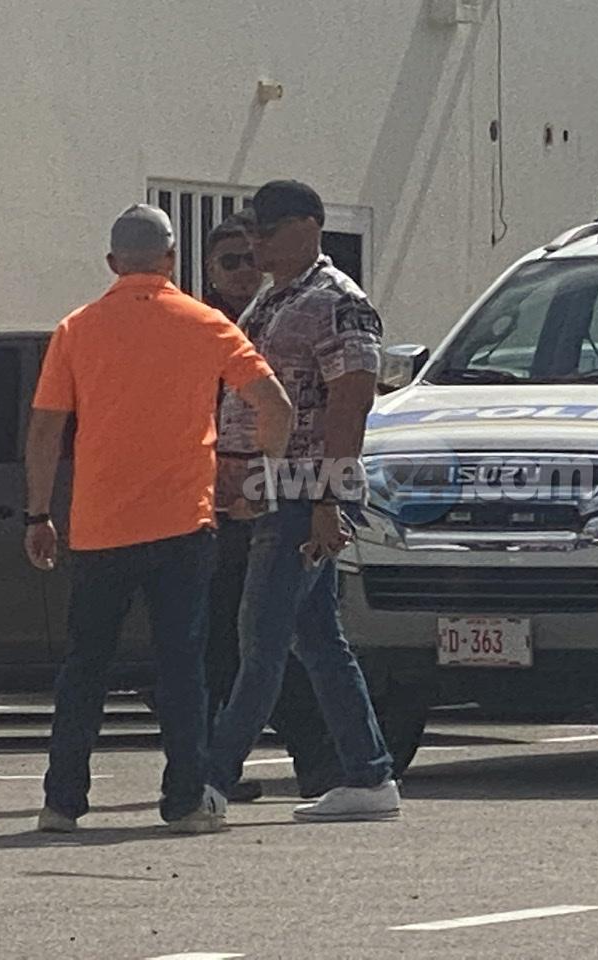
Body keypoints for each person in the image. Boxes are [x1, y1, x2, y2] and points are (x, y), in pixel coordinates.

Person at [24, 204, 291, 834]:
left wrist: (38, 512)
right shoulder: (206, 323)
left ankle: (62, 802)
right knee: (182, 668)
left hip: (100, 525)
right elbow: (274, 403)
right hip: (182, 523)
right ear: (171, 260)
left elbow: (45, 429)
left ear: (112, 262)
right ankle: (185, 800)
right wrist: (263, 479)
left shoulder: (76, 328)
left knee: (85, 668)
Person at [205, 180, 398, 824]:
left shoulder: (338, 302)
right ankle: (368, 774)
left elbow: (352, 401)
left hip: (302, 492)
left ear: (309, 226)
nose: (255, 245)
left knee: (260, 637)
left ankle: (210, 779)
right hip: (272, 493)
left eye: (266, 231)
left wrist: (328, 498)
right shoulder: (274, 299)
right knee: (316, 640)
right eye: (250, 233)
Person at [201, 213, 341, 804]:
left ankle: (324, 764)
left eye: (249, 256)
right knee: (225, 643)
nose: (243, 269)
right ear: (209, 271)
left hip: (280, 496)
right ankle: (212, 764)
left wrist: (327, 493)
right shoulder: (203, 328)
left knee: (284, 640)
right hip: (215, 504)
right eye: (229, 261)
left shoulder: (285, 315)